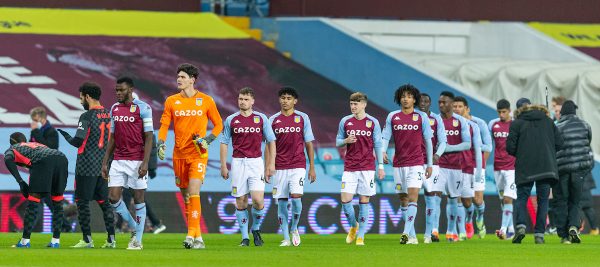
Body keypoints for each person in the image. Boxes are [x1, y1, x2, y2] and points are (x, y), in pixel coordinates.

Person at [157, 63, 223, 249]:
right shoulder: (171, 101)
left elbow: (219, 125)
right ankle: (198, 237)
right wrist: (161, 142)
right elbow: (164, 125)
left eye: (183, 77)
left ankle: (189, 235)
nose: (179, 79)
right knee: (186, 197)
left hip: (198, 154)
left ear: (192, 80)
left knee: (194, 192)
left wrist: (208, 140)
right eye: (178, 76)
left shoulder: (206, 100)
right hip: (179, 155)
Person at [57, 82, 116, 248]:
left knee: (82, 203)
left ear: (88, 97)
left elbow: (78, 141)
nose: (80, 101)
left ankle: (87, 239)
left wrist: (67, 137)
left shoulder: (87, 116)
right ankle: (111, 239)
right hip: (103, 167)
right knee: (105, 203)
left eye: (81, 97)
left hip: (86, 166)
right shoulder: (108, 114)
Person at [101, 77, 154, 250]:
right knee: (113, 197)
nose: (118, 93)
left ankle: (137, 240)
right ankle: (134, 226)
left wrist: (145, 163)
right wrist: (105, 162)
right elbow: (113, 138)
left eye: (121, 90)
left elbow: (149, 137)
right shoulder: (114, 109)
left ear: (130, 90)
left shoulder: (143, 108)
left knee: (138, 198)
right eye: (116, 90)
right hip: (118, 159)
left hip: (137, 160)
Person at [220, 87, 276, 247]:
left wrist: (271, 164)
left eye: (245, 99)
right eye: (240, 99)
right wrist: (224, 165)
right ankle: (245, 237)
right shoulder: (231, 120)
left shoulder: (261, 119)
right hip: (238, 163)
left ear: (252, 101)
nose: (242, 102)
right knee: (240, 201)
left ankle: (256, 228)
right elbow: (224, 143)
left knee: (258, 200)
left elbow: (271, 141)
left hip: (256, 163)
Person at [507, 98, 563, 244]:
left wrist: (523, 153)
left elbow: (510, 148)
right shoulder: (548, 121)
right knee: (543, 201)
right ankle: (539, 234)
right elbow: (560, 143)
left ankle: (520, 226)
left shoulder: (517, 123)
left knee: (522, 198)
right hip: (546, 166)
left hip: (525, 166)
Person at [381, 85, 433, 245]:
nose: (406, 98)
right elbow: (385, 137)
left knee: (413, 197)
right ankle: (412, 236)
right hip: (398, 164)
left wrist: (429, 163)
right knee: (403, 198)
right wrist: (382, 151)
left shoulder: (421, 117)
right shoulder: (393, 116)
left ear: (414, 99)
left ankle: (404, 232)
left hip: (416, 163)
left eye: (409, 96)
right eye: (403, 96)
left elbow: (428, 141)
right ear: (399, 98)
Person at [268, 87, 316, 247]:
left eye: (289, 98)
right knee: (281, 202)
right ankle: (286, 237)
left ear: (295, 101)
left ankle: (294, 227)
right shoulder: (273, 120)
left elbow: (309, 144)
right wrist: (267, 166)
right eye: (282, 97)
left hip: (298, 165)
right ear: (279, 100)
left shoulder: (303, 118)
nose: (285, 101)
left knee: (296, 198)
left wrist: (312, 167)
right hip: (279, 166)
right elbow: (268, 146)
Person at [336, 92, 384, 246]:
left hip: (367, 168)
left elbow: (377, 145)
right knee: (345, 200)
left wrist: (381, 166)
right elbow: (338, 142)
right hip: (350, 167)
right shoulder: (345, 121)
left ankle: (361, 236)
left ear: (364, 104)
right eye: (351, 104)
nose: (353, 107)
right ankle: (354, 225)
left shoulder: (373, 122)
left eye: (356, 104)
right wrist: (346, 140)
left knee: (364, 201)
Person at [5, 132, 68, 248]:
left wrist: (20, 182)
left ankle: (24, 242)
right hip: (61, 158)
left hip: (42, 160)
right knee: (57, 203)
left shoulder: (14, 147)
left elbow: (8, 158)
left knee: (33, 203)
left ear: (11, 142)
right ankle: (55, 242)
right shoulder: (36, 144)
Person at [554, 100, 593, 244]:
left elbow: (554, 147)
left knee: (561, 201)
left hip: (562, 169)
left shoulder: (557, 127)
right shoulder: (585, 125)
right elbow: (587, 143)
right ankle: (573, 226)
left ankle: (564, 235)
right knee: (575, 201)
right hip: (579, 169)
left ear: (562, 112)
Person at [436, 91, 471, 242]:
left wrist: (446, 148)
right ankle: (434, 231)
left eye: (444, 102)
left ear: (451, 104)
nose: (441, 105)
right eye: (440, 102)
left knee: (453, 199)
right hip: (438, 165)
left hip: (456, 167)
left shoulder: (460, 122)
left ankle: (451, 231)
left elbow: (467, 144)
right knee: (435, 197)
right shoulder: (434, 121)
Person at [453, 96, 489, 239]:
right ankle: (466, 223)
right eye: (454, 106)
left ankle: (480, 216)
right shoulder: (451, 124)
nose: (456, 109)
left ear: (467, 109)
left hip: (476, 165)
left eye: (460, 106)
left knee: (478, 200)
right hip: (460, 166)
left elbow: (488, 146)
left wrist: (480, 166)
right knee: (464, 200)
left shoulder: (478, 124)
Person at [418, 93, 447, 243]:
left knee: (432, 198)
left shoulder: (436, 119)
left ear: (430, 103)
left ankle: (430, 233)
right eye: (421, 101)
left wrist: (437, 154)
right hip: (413, 163)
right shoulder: (412, 117)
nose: (423, 103)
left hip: (431, 164)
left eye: (426, 101)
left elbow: (443, 141)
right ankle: (409, 233)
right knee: (409, 198)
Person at [488, 99, 517, 240]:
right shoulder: (493, 124)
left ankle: (503, 229)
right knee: (502, 199)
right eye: (499, 112)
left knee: (507, 198)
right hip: (497, 167)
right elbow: (488, 145)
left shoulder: (515, 124)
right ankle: (511, 228)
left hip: (512, 167)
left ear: (509, 111)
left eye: (504, 112)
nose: (501, 114)